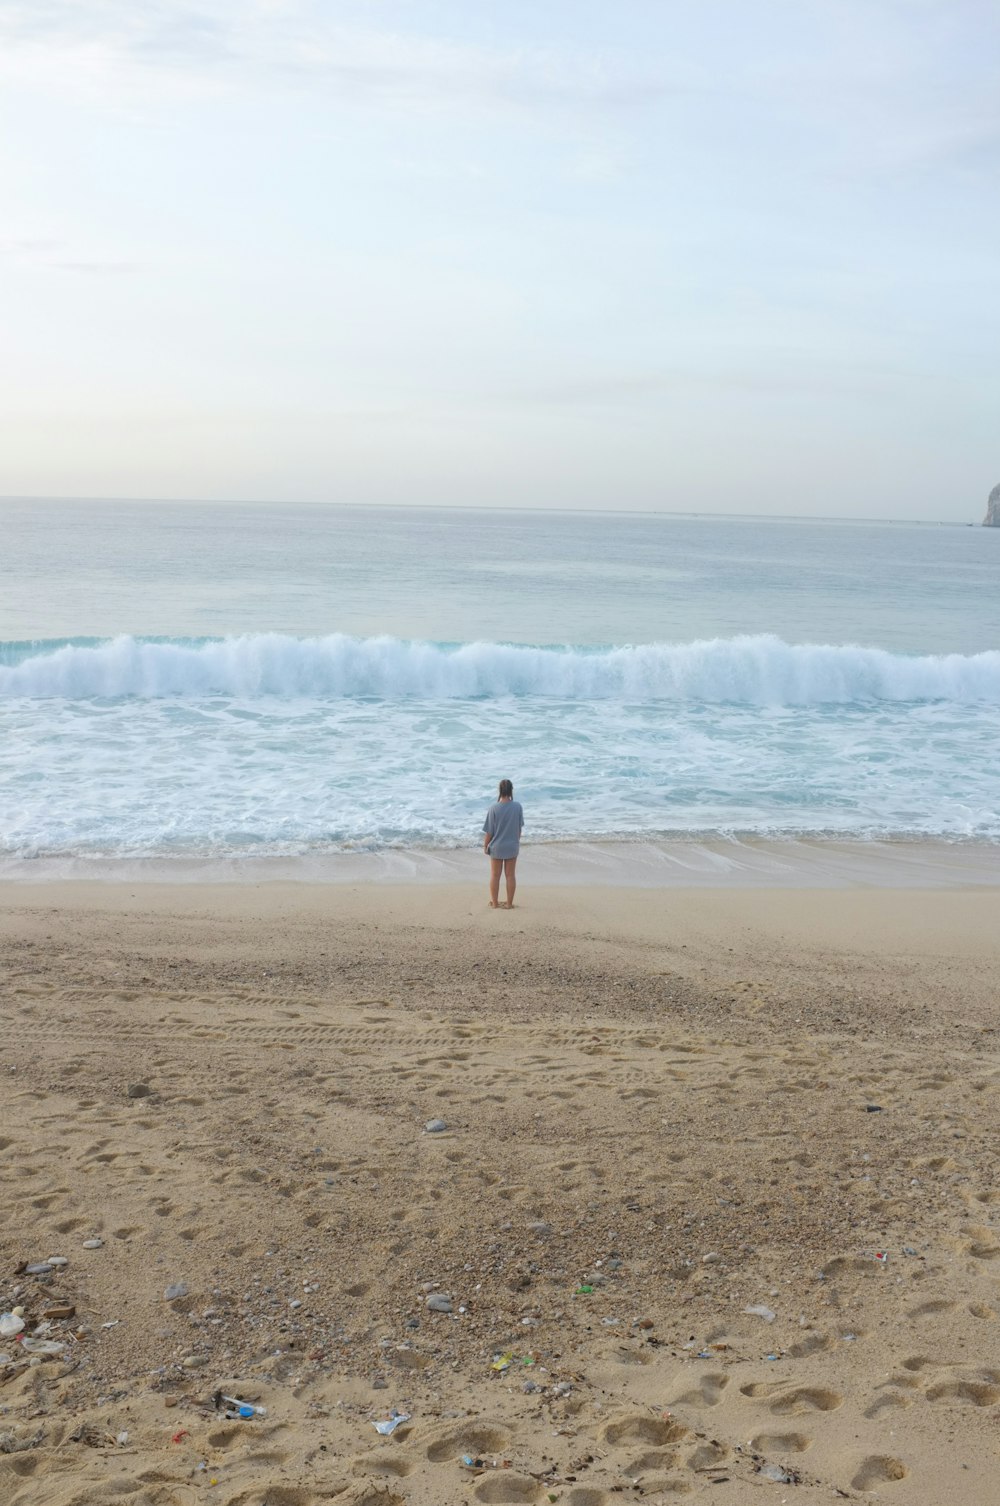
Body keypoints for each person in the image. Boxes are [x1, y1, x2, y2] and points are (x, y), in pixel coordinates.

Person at [482, 778, 523, 909]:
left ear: (500, 791)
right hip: (512, 845)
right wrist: (515, 842)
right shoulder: (517, 807)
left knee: (495, 875)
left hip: (497, 847)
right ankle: (509, 904)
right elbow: (519, 829)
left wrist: (485, 845)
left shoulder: (493, 808)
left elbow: (489, 831)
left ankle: (494, 903)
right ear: (511, 790)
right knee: (510, 875)